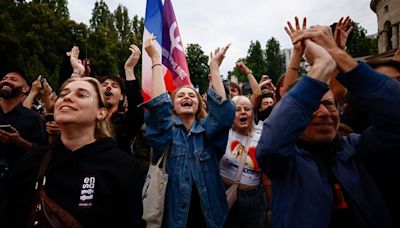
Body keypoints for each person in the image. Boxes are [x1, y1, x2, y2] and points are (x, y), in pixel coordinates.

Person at [256, 24, 398, 227]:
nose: (323, 113)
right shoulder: (286, 162)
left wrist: (336, 54)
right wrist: (321, 66)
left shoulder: (360, 149)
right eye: (312, 106)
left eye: (329, 104)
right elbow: (270, 145)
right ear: (298, 113)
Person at [4, 77, 141, 227]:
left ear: (101, 113)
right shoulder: (31, 161)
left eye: (82, 95)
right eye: (63, 94)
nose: (68, 97)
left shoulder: (121, 166)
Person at [143, 36, 235, 227]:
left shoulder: (208, 132)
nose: (187, 97)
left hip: (212, 219)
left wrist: (215, 69)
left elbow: (222, 113)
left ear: (199, 104)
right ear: (173, 106)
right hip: (175, 219)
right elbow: (159, 108)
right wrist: (155, 61)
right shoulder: (166, 134)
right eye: (181, 96)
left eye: (192, 95)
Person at [0, 69, 47, 221]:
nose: (6, 80)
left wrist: (20, 142)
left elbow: (43, 152)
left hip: (15, 192)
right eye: (5, 78)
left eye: (13, 79)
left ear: (25, 89)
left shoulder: (34, 119)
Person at [219, 95, 268, 228]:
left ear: (252, 114)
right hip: (225, 193)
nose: (243, 112)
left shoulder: (262, 134)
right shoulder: (224, 133)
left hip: (254, 199)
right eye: (237, 109)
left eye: (247, 109)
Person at [99, 44, 144, 155]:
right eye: (104, 85)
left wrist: (129, 69)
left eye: (114, 86)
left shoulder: (124, 122)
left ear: (121, 97)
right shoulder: (88, 119)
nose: (108, 87)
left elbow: (136, 110)